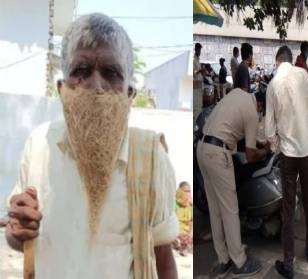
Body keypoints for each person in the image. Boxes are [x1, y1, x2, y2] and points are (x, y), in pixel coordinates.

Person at [5, 14, 179, 279]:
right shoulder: (39, 145)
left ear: (129, 93)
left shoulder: (150, 158)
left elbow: (163, 260)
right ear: (62, 88)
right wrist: (16, 232)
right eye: (81, 71)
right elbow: (19, 235)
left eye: (111, 73)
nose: (96, 87)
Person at [197, 87, 270, 278]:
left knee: (216, 210)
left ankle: (224, 259)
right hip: (218, 154)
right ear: (261, 105)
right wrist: (265, 151)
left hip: (202, 148)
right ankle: (239, 262)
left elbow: (234, 127)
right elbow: (251, 155)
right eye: (263, 111)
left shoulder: (238, 93)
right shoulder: (253, 114)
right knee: (230, 210)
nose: (261, 114)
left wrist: (259, 143)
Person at [266, 46, 308, 279]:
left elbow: (269, 129)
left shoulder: (272, 85)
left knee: (288, 208)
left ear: (278, 61)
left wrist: (276, 147)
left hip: (288, 154)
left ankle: (288, 261)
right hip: (306, 151)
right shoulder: (302, 75)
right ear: (291, 59)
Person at [173, 182, 193, 256]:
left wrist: (190, 234)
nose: (187, 194)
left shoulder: (190, 205)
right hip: (177, 232)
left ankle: (184, 247)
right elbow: (172, 223)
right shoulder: (173, 204)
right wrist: (178, 233)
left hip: (187, 233)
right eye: (185, 191)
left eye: (189, 191)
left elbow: (191, 222)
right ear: (180, 191)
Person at [194, 42, 204, 121]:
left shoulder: (198, 60)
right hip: (195, 86)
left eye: (200, 50)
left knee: (199, 106)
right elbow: (194, 73)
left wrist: (202, 72)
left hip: (199, 85)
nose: (200, 52)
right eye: (199, 50)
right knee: (197, 108)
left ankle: (196, 125)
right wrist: (200, 70)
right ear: (196, 49)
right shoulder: (193, 60)